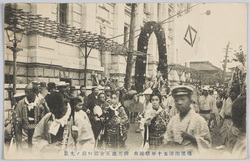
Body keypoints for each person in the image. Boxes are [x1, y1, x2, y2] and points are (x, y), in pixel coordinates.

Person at [164, 85, 211, 154]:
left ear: (190, 101)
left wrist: (192, 139)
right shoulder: (173, 120)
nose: (179, 103)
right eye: (176, 100)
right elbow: (167, 139)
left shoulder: (199, 120)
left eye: (183, 99)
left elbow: (207, 143)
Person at [15, 83, 47, 149]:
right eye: (25, 92)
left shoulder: (40, 102)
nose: (26, 94)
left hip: (37, 132)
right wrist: (18, 119)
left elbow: (45, 117)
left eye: (28, 92)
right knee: (25, 150)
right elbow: (17, 116)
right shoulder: (21, 103)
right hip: (24, 132)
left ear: (34, 92)